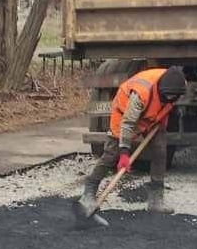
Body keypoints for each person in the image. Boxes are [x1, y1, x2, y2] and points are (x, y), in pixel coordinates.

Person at [78, 67, 188, 215]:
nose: (169, 99)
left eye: (172, 97)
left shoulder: (178, 86)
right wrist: (124, 153)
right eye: (166, 96)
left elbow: (169, 104)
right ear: (161, 89)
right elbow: (128, 123)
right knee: (111, 154)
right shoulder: (141, 93)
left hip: (153, 117)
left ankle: (156, 200)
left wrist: (162, 120)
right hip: (124, 113)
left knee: (160, 151)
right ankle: (89, 192)